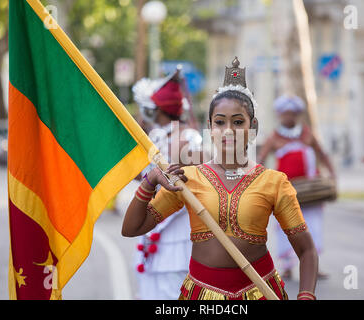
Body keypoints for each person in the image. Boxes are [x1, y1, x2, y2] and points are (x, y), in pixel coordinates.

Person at [122, 58, 318, 300]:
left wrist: (306, 295)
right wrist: (150, 181)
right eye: (220, 122)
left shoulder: (274, 182)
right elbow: (131, 228)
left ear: (252, 126)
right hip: (202, 296)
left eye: (238, 122)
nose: (228, 130)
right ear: (209, 126)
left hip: (260, 292)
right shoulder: (188, 179)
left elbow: (306, 249)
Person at [128, 69, 203, 300]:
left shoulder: (188, 138)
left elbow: (198, 180)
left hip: (178, 229)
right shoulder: (154, 138)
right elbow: (141, 179)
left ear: (152, 110)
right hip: (153, 228)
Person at [257, 95, 336, 280]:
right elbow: (261, 159)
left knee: (313, 227)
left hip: (311, 190)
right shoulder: (274, 137)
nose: (288, 118)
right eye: (285, 114)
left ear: (297, 115)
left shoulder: (307, 134)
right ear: (279, 115)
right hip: (286, 192)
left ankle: (314, 266)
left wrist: (332, 173)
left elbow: (323, 154)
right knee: (286, 228)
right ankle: (287, 267)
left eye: (292, 114)